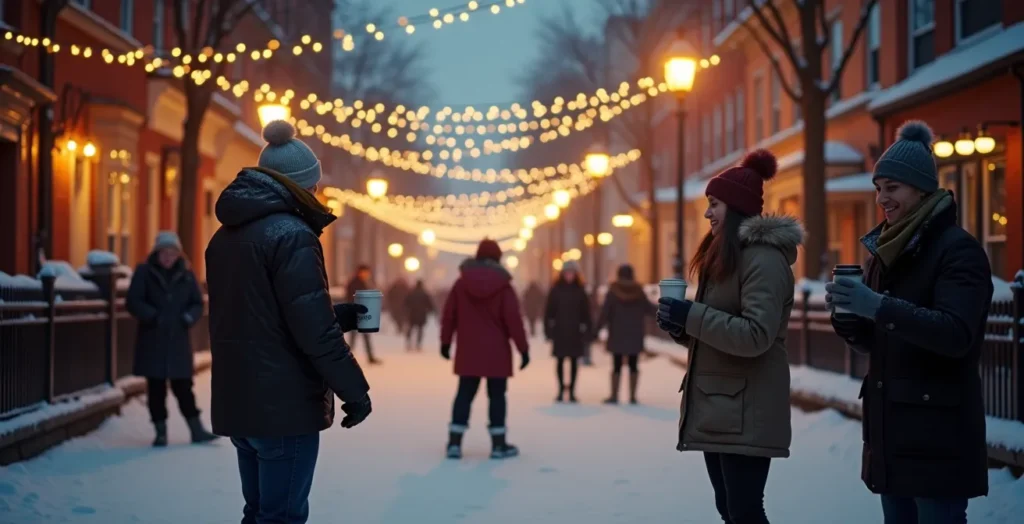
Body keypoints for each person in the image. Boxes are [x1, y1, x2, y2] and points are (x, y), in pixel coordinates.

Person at [206, 120, 373, 524]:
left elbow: (262, 316)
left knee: (259, 513)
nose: (317, 190)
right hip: (283, 406)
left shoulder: (225, 236)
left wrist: (336, 315)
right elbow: (313, 333)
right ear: (300, 185)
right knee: (282, 517)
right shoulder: (291, 234)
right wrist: (355, 391)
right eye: (313, 183)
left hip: (241, 400)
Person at [825, 121, 992, 524]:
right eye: (878, 188)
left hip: (938, 438)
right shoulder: (886, 251)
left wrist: (879, 307)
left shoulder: (959, 251)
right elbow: (878, 340)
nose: (882, 198)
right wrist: (850, 318)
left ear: (920, 189)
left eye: (893, 187)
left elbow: (955, 334)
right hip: (892, 438)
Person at [656, 149, 801, 524]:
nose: (708, 213)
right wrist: (682, 328)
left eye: (714, 204)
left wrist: (693, 316)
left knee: (744, 511)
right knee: (730, 509)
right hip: (722, 406)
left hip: (747, 406)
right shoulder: (726, 255)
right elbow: (721, 329)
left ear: (735, 207)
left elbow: (756, 335)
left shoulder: (763, 259)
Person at [440, 239, 530, 460]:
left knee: (464, 394)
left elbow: (449, 314)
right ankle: (498, 445)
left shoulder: (461, 284)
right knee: (497, 396)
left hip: (468, 349)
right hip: (497, 352)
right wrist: (523, 349)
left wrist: (445, 342)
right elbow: (513, 320)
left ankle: (454, 442)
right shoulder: (504, 286)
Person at [126, 231, 217, 447]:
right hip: (153, 339)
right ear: (157, 253)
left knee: (183, 387)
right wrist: (153, 316)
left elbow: (197, 302)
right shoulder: (144, 272)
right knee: (156, 389)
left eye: (172, 253)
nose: (168, 257)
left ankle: (196, 430)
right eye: (164, 253)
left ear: (178, 254)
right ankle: (160, 432)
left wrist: (188, 317)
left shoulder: (186, 274)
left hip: (178, 340)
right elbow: (133, 301)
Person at [594, 264, 654, 405]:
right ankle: (632, 396)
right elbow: (649, 309)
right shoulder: (638, 291)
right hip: (635, 333)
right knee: (633, 364)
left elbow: (605, 312)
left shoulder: (613, 291)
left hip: (617, 333)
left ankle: (614, 395)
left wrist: (596, 330)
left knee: (617, 364)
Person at [544, 261, 591, 403]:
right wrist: (548, 331)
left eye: (572, 273)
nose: (569, 275)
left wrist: (587, 330)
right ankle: (560, 390)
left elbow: (586, 313)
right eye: (567, 273)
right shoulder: (556, 290)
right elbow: (549, 312)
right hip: (560, 331)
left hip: (575, 332)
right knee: (560, 361)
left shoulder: (580, 291)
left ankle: (571, 391)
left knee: (574, 362)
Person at [346, 264, 380, 364]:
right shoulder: (355, 283)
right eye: (366, 272)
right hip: (356, 312)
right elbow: (352, 297)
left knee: (364, 336)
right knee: (354, 337)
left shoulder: (362, 282)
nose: (367, 275)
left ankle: (369, 357)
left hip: (361, 312)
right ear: (360, 272)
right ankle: (347, 358)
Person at [404, 279, 434, 351]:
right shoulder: (424, 293)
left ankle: (408, 343)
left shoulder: (411, 293)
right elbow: (429, 304)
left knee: (410, 329)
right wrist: (431, 310)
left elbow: (406, 303)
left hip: (412, 314)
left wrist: (407, 310)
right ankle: (418, 344)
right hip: (421, 314)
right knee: (420, 330)